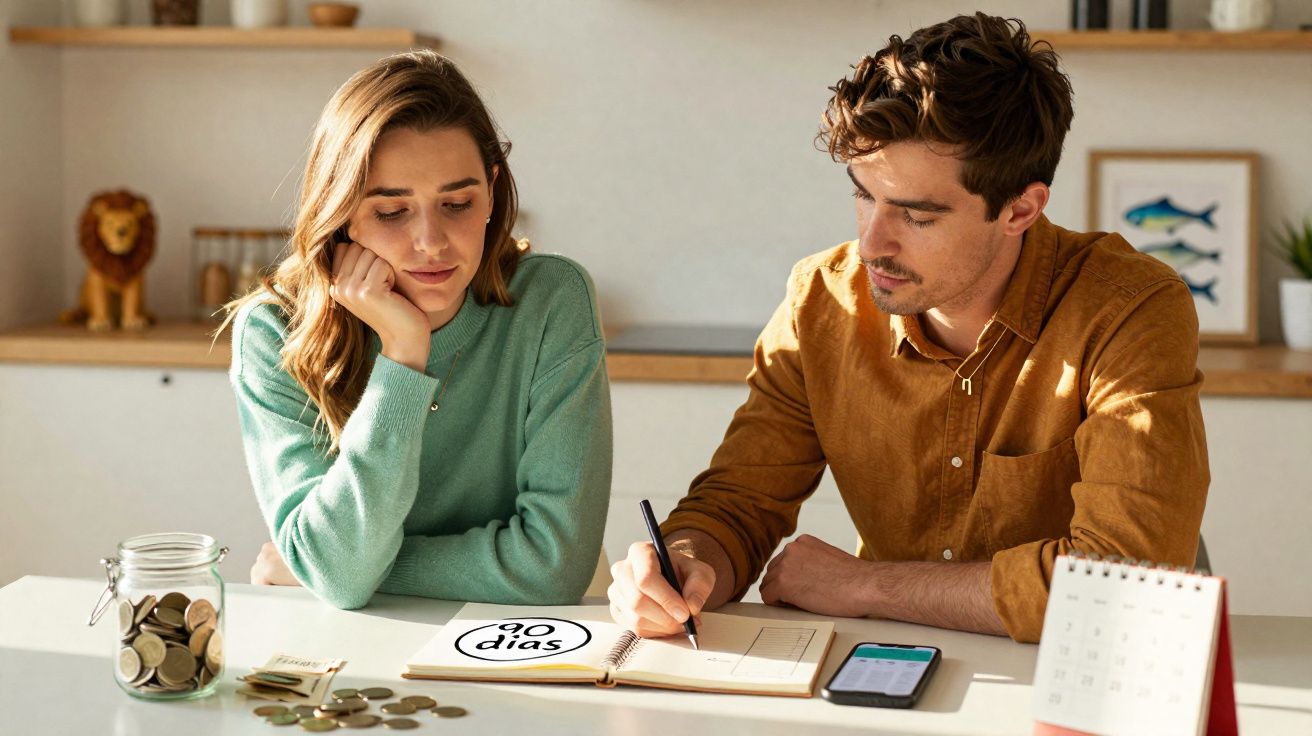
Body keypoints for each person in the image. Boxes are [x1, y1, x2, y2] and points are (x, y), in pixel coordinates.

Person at [608, 13, 1208, 644]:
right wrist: (686, 562)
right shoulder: (821, 299)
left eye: (918, 216)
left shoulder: (1131, 309)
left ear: (1020, 209)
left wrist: (871, 586)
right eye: (864, 195)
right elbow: (739, 503)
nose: (871, 244)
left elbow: (1130, 585)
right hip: (892, 668)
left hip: (1076, 677)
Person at [226, 50, 612, 610]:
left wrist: (331, 564)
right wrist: (403, 357)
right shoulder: (273, 331)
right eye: (390, 211)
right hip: (356, 647)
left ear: (492, 192)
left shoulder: (552, 301)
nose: (431, 242)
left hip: (526, 628)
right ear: (342, 213)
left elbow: (552, 569)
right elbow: (338, 577)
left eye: (457, 203)